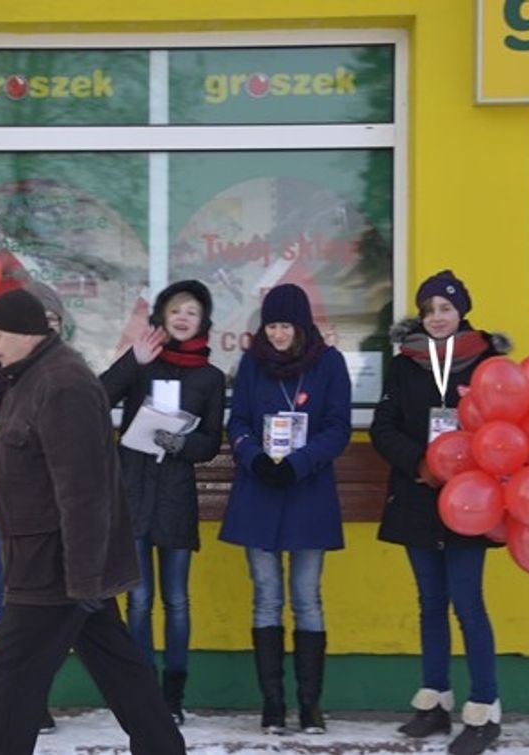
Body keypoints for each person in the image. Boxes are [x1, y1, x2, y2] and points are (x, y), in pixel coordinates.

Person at [0, 288, 185, 755]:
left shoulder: (62, 383)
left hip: (56, 567)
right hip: (56, 560)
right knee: (119, 667)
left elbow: (83, 491)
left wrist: (84, 577)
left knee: (12, 680)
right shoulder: (30, 376)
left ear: (28, 335)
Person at [369, 270, 509, 755]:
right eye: (428, 310)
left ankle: (485, 708)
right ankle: (434, 703)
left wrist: (472, 454)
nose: (437, 318)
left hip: (475, 500)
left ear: (461, 311)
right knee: (430, 604)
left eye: (445, 308)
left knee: (468, 605)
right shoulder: (405, 363)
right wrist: (420, 463)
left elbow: (508, 425)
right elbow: (383, 425)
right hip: (418, 495)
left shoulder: (489, 362)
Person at [218, 283, 351, 735]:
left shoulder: (329, 363)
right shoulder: (253, 363)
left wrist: (299, 462)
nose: (276, 334)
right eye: (271, 325)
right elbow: (236, 419)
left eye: (285, 325)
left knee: (307, 599)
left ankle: (310, 705)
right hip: (259, 490)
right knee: (267, 598)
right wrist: (251, 453)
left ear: (301, 326)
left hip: (307, 491)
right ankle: (272, 705)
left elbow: (338, 426)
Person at [99, 280, 226, 725]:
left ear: (203, 321)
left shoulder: (210, 377)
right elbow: (98, 398)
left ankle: (173, 694)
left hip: (175, 500)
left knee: (177, 601)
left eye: (192, 310)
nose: (183, 316)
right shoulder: (143, 364)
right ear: (162, 317)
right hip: (132, 494)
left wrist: (180, 444)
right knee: (138, 602)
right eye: (175, 309)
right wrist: (133, 361)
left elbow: (210, 441)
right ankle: (141, 691)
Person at [0, 282, 67, 735]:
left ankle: (34, 696)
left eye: (53, 323)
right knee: (9, 596)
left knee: (49, 602)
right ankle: (6, 698)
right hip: (0, 502)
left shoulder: (63, 372)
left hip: (52, 504)